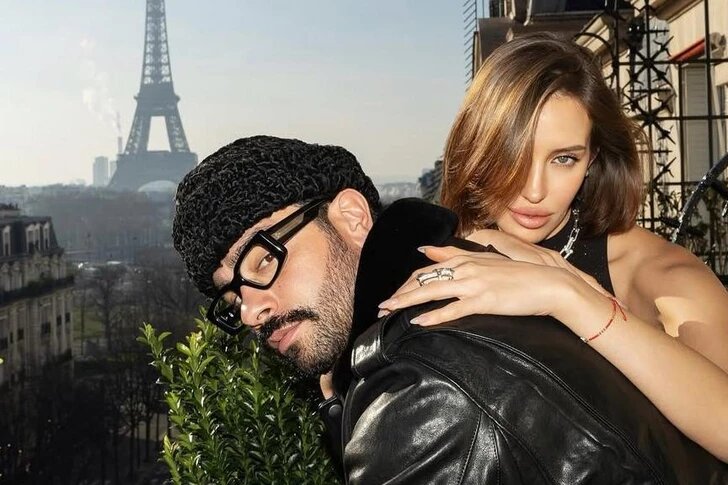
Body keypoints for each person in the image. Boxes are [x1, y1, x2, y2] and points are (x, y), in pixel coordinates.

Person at [173, 135, 727, 483]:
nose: (251, 311)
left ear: (352, 217)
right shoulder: (467, 282)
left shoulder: (418, 397)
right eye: (232, 299)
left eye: (263, 259)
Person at [379, 33, 728, 463]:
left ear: (593, 158)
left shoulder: (658, 274)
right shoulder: (447, 247)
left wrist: (567, 294)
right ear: (477, 149)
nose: (534, 190)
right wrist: (488, 241)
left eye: (564, 159)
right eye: (513, 154)